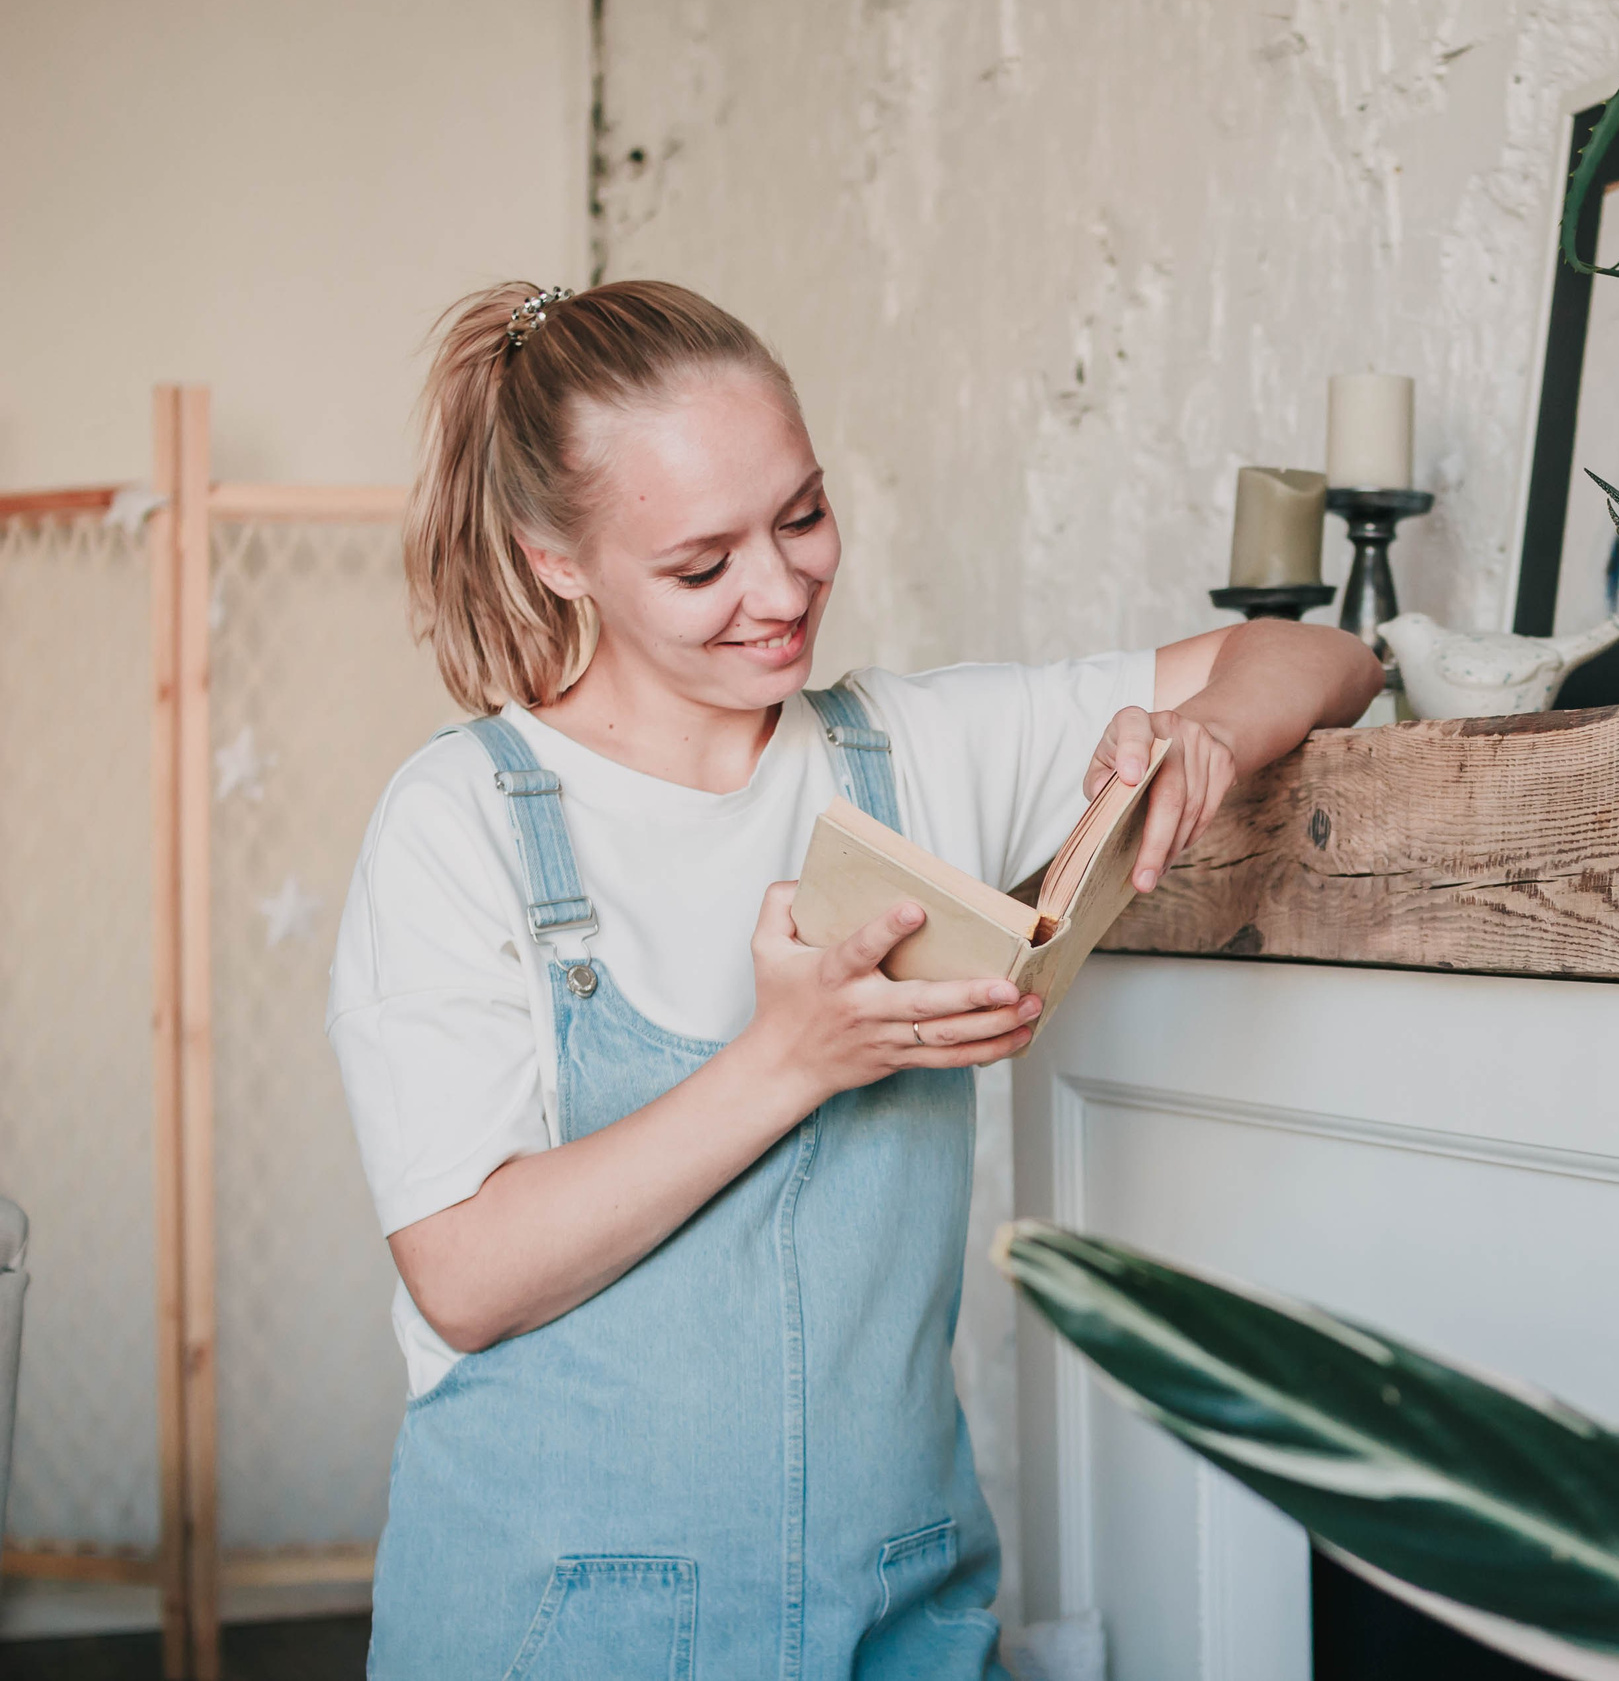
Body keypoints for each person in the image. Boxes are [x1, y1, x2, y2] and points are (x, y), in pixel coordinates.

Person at [328, 280, 1380, 1678]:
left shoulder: (917, 752)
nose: (780, 590)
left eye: (804, 515)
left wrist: (1208, 741)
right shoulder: (459, 823)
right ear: (556, 558)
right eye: (702, 564)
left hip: (899, 1615)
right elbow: (463, 1272)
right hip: (558, 1629)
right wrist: (793, 1057)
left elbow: (1322, 654)